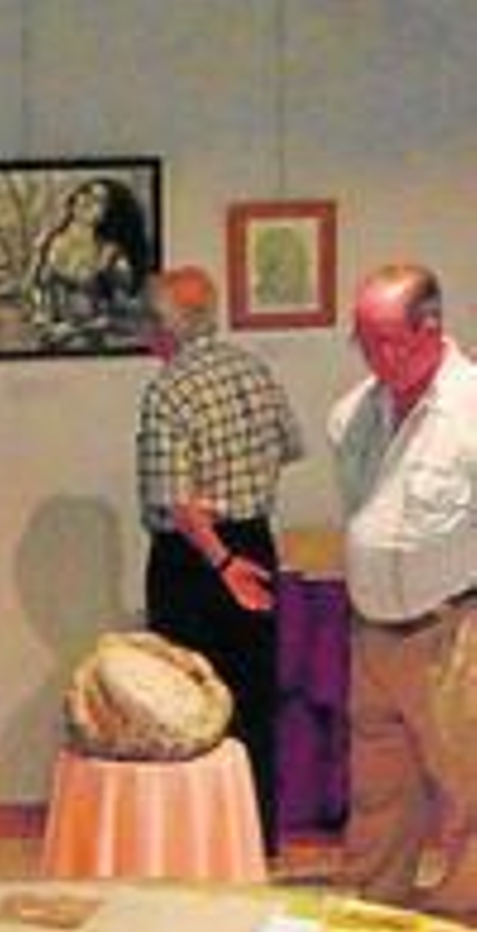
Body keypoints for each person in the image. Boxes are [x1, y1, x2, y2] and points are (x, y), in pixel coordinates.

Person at [135, 265, 304, 857]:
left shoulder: (169, 389)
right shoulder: (254, 370)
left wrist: (219, 553)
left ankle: (197, 843)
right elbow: (292, 445)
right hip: (255, 539)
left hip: (198, 560)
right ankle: (253, 836)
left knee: (188, 701)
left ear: (162, 326)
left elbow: (177, 504)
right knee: (252, 696)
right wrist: (240, 500)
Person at [327, 263, 477, 920]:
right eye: (364, 341)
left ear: (431, 330)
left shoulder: (471, 410)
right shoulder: (354, 414)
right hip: (374, 635)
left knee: (469, 792)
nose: (376, 357)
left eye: (389, 340)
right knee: (379, 794)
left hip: (453, 632)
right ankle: (375, 919)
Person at [29, 176, 151, 351]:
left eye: (99, 201)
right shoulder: (46, 242)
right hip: (47, 344)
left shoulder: (110, 254)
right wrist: (40, 315)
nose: (87, 201)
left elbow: (132, 314)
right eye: (86, 192)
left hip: (86, 348)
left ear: (105, 214)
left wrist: (74, 330)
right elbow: (36, 287)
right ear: (75, 197)